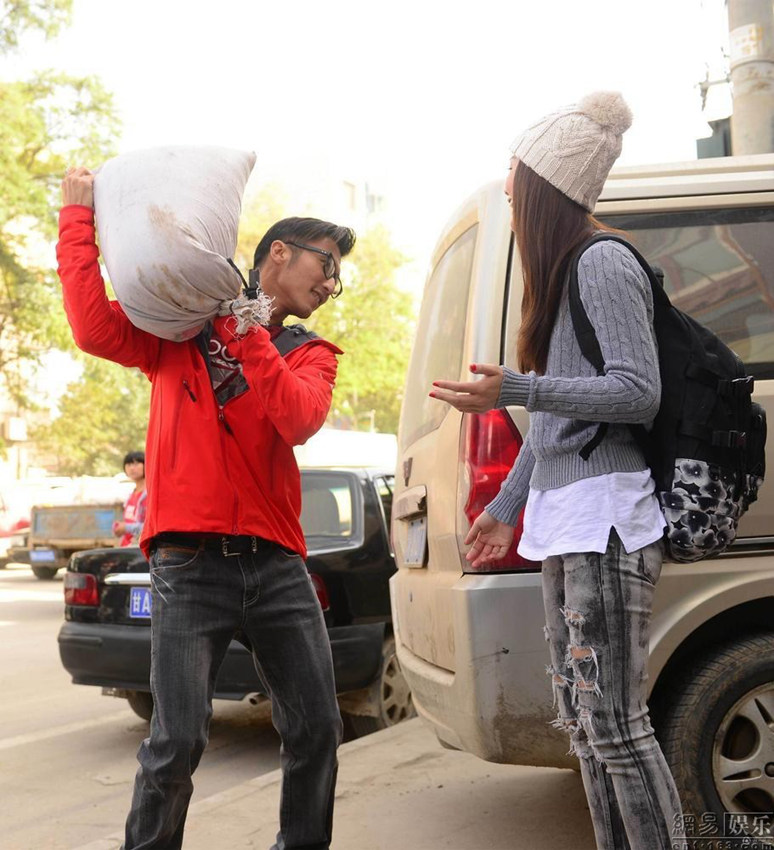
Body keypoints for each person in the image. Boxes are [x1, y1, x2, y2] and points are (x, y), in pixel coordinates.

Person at [57, 165, 356, 850]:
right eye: (326, 264)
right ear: (278, 253)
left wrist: (247, 330)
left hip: (278, 567)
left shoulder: (311, 354)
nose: (331, 283)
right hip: (188, 563)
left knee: (316, 728)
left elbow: (296, 419)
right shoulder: (180, 329)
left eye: (338, 274)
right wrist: (77, 225)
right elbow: (94, 328)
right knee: (176, 739)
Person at [429, 92, 683, 849]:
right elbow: (552, 427)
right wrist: (504, 506)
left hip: (607, 517)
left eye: (517, 167)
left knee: (615, 724)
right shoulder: (562, 271)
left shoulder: (602, 262)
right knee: (587, 726)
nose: (506, 180)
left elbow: (638, 392)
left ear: (547, 184)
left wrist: (514, 387)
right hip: (566, 521)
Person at [114, 450, 147, 547]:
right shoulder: (131, 495)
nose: (132, 468)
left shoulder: (150, 495)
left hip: (141, 549)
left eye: (136, 464)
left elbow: (151, 526)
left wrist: (127, 528)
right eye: (128, 464)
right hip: (128, 547)